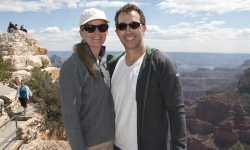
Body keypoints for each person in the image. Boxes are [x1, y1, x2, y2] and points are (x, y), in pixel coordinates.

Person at [107, 3, 187, 150]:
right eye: (122, 26)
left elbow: (177, 112)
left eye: (134, 24)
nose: (128, 30)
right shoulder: (113, 64)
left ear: (143, 28)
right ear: (117, 32)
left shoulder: (161, 63)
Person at [59, 8, 115, 150]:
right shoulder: (73, 66)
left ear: (107, 31)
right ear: (81, 33)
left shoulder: (103, 62)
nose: (97, 32)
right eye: (90, 28)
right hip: (91, 146)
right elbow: (70, 115)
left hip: (112, 142)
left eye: (102, 27)